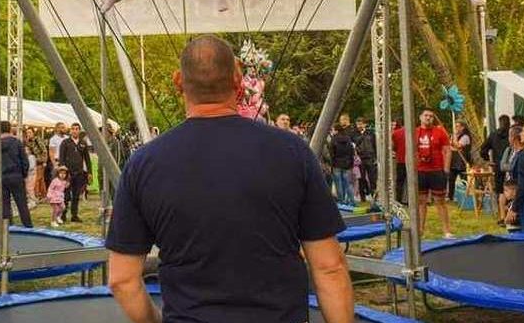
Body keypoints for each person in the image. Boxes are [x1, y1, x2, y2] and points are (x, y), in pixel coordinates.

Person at [106, 35, 353, 323]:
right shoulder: (292, 152)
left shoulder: (144, 164)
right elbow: (329, 267)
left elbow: (122, 280)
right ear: (238, 81)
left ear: (178, 82)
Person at [415, 110, 453, 238]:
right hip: (420, 171)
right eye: (426, 115)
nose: (428, 118)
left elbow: (447, 150)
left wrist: (446, 169)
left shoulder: (440, 132)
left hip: (437, 170)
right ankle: (420, 230)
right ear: (420, 117)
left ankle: (446, 230)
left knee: (440, 201)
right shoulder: (415, 132)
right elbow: (411, 151)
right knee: (421, 201)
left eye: (431, 116)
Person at [0, 120, 33, 228]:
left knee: (4, 204)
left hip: (1, 177)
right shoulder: (17, 143)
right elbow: (24, 160)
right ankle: (27, 226)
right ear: (10, 129)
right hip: (16, 175)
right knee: (22, 203)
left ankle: (7, 227)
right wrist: (24, 174)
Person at [58, 123, 91, 223]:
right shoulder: (65, 142)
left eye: (77, 129)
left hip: (79, 173)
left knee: (76, 195)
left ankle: (74, 215)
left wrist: (89, 172)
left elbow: (87, 159)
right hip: (68, 173)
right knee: (66, 196)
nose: (75, 131)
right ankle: (63, 214)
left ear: (79, 131)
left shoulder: (83, 143)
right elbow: (61, 158)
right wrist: (62, 172)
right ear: (70, 131)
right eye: (73, 129)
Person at [479, 114, 511, 193]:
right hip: (510, 165)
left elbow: (483, 149)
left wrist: (488, 160)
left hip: (498, 165)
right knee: (511, 188)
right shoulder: (511, 134)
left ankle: (500, 200)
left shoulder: (493, 135)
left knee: (500, 190)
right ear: (509, 123)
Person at [328, 123, 355, 204]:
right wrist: (351, 162)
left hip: (337, 164)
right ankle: (352, 200)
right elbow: (352, 151)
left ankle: (341, 200)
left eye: (333, 130)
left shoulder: (333, 139)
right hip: (347, 164)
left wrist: (332, 163)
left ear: (336, 130)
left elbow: (331, 153)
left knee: (338, 184)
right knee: (348, 183)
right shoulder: (348, 138)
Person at [352, 117, 377, 203]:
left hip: (370, 157)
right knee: (361, 179)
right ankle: (363, 197)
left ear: (365, 124)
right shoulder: (354, 134)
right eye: (358, 124)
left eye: (361, 124)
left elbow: (374, 145)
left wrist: (375, 157)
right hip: (360, 159)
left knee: (372, 178)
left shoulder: (370, 133)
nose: (359, 126)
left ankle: (374, 196)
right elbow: (354, 145)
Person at [448, 121, 473, 202]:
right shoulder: (454, 136)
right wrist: (453, 142)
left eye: (458, 126)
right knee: (451, 179)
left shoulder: (465, 137)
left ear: (463, 127)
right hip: (454, 161)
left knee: (464, 179)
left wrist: (454, 142)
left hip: (463, 161)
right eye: (455, 126)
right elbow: (450, 146)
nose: (456, 128)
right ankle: (450, 197)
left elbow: (458, 146)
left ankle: (468, 196)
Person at [25, 126, 47, 202]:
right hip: (33, 162)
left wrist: (44, 161)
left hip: (40, 161)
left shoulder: (37, 139)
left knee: (38, 179)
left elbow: (44, 150)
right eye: (27, 133)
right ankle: (42, 195)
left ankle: (39, 195)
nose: (28, 134)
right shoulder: (28, 141)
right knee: (39, 179)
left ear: (33, 133)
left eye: (30, 132)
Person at [391, 120, 407, 205]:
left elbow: (393, 147)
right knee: (410, 181)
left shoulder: (395, 133)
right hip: (411, 160)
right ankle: (408, 200)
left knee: (399, 181)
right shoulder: (415, 131)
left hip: (400, 160)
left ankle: (398, 199)